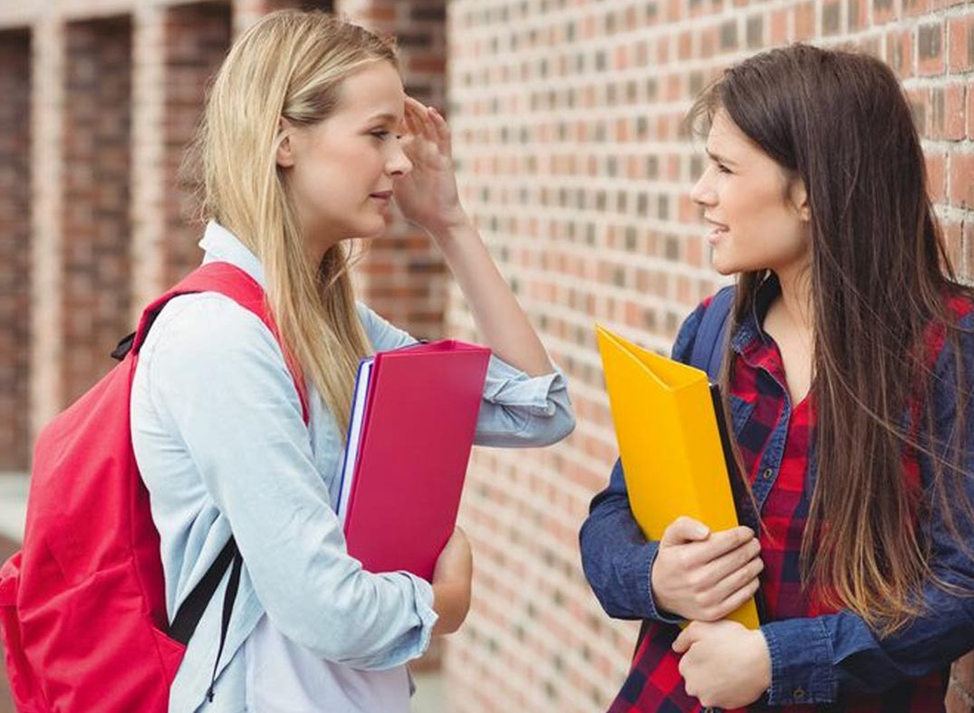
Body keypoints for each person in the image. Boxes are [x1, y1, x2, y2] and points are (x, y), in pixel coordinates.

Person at [131, 10, 574, 712]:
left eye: (399, 135)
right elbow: (324, 607)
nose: (401, 161)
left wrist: (450, 225)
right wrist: (442, 601)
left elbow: (537, 409)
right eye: (376, 134)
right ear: (283, 142)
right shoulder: (220, 338)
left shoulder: (328, 319)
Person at [580, 43, 974, 711]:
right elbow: (615, 513)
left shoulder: (949, 346)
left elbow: (962, 583)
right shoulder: (710, 331)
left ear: (809, 193)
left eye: (725, 167)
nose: (700, 191)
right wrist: (656, 575)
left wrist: (775, 659)